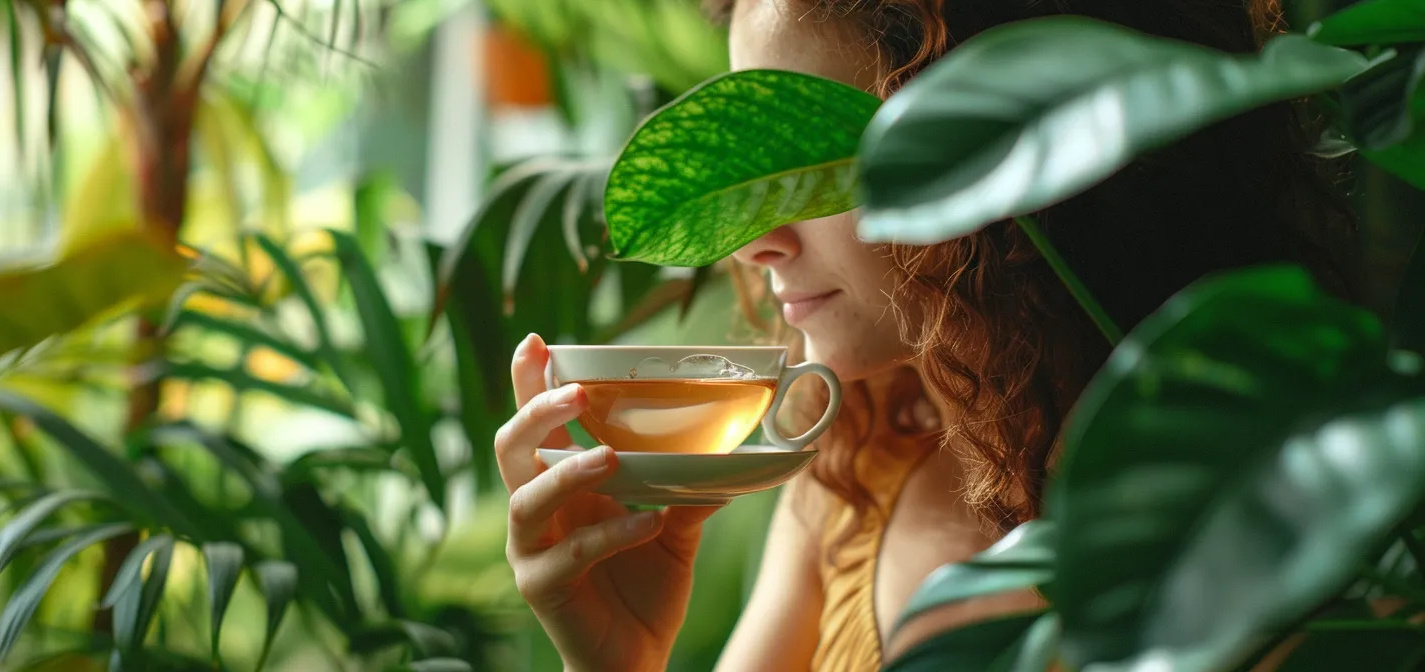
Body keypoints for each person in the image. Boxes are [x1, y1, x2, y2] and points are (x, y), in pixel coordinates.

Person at [491, 0, 1356, 670]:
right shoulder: (851, 479)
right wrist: (617, 657)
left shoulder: (1276, 514)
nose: (754, 243)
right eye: (754, 169)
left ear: (1011, 151)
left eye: (816, 167)